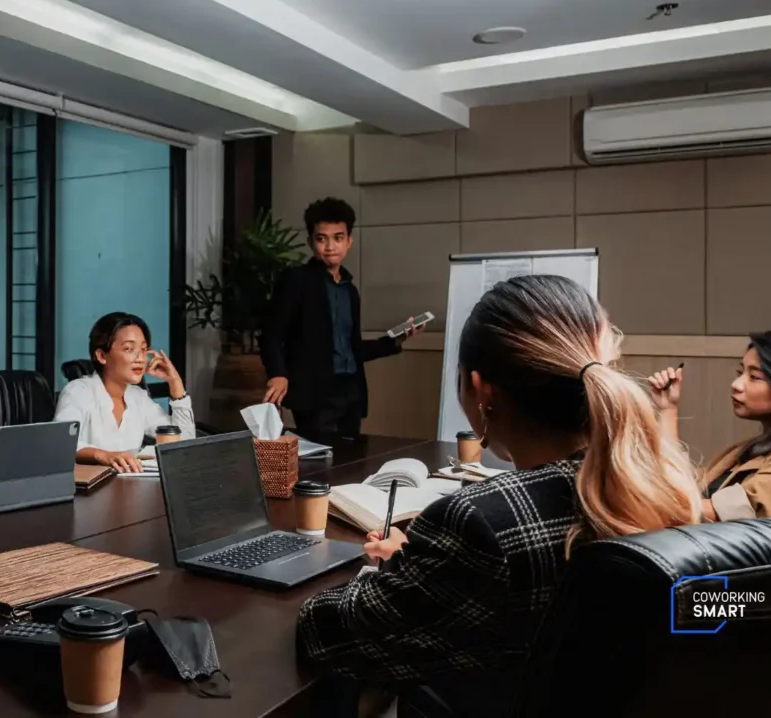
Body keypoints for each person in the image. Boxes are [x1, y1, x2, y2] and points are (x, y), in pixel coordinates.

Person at [297, 275, 700, 717]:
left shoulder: (481, 523)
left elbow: (327, 632)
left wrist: (401, 570)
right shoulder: (671, 491)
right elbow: (718, 617)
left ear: (481, 390)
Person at [261, 197, 422, 439]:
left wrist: (395, 340)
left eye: (338, 238)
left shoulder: (350, 290)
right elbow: (271, 335)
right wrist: (278, 374)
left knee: (352, 461)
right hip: (314, 394)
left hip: (351, 393)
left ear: (349, 242)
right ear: (310, 242)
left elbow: (351, 347)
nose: (330, 246)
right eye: (321, 238)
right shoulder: (296, 281)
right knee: (320, 465)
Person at [650, 331, 771, 520]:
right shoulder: (744, 451)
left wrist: (643, 504)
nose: (736, 384)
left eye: (754, 377)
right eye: (740, 372)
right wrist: (668, 410)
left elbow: (724, 514)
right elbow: (680, 489)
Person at [54, 312, 194, 473]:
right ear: (101, 355)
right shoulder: (78, 391)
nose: (140, 358)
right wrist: (105, 456)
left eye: (143, 349)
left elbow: (184, 441)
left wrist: (175, 383)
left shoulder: (138, 397)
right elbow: (61, 443)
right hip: (88, 491)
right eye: (129, 349)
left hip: (130, 487)